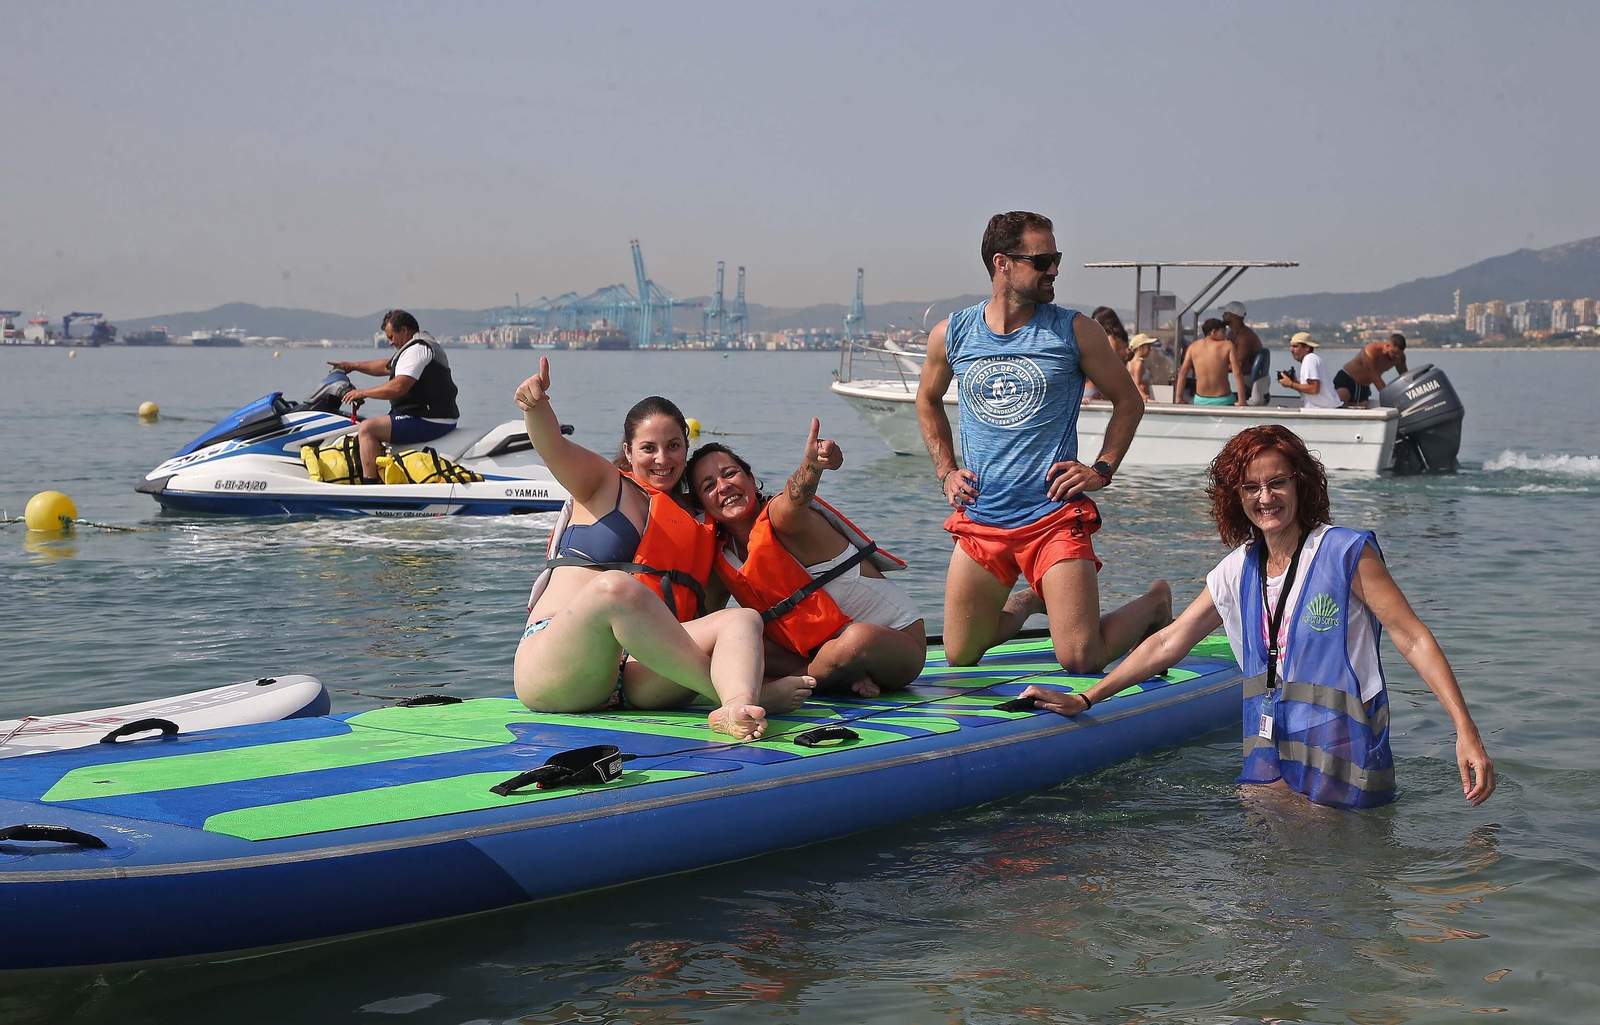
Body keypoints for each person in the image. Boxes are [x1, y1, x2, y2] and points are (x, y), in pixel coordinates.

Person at [1019, 425, 1495, 810]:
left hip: (1342, 757)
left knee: (1337, 897)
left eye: (1277, 482)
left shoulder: (1346, 553)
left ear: (1300, 484)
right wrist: (1087, 697)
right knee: (1264, 902)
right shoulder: (1236, 569)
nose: (1265, 498)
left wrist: (1465, 731)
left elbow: (1411, 637)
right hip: (1267, 756)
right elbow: (1168, 643)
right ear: (1235, 497)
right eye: (1251, 487)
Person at [916, 210, 1171, 673]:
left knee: (1079, 658)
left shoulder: (1074, 331)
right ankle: (1032, 599)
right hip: (982, 515)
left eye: (1057, 258)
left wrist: (1102, 470)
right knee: (960, 654)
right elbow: (927, 400)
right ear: (1002, 263)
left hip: (1052, 516)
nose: (1054, 269)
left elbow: (1128, 402)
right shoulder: (952, 334)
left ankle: (1154, 604)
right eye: (1043, 259)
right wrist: (945, 470)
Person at [512, 357, 814, 739]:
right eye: (648, 448)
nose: (662, 459)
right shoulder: (601, 484)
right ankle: (751, 696)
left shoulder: (700, 522)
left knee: (743, 619)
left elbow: (726, 601)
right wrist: (536, 407)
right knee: (616, 589)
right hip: (559, 666)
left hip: (645, 677)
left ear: (686, 448)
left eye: (673, 446)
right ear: (628, 449)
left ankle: (736, 705)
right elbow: (552, 445)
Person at [688, 418, 926, 699]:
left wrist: (812, 465)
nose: (724, 486)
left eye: (730, 474)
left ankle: (785, 685)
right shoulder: (724, 560)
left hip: (895, 642)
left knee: (855, 639)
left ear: (751, 480)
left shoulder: (781, 518)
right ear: (702, 506)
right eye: (708, 486)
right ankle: (837, 679)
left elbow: (795, 498)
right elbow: (701, 624)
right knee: (732, 636)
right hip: (816, 654)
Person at [328, 310, 461, 483]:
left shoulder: (418, 350)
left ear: (404, 330)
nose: (390, 342)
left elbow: (398, 387)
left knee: (368, 428)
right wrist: (352, 366)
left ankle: (370, 487)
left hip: (431, 419)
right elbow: (386, 366)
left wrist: (362, 393)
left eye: (391, 337)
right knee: (369, 425)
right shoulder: (413, 347)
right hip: (426, 415)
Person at [1177, 318, 1244, 406]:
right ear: (1214, 332)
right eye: (1223, 332)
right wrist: (1242, 400)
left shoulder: (1193, 346)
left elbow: (1183, 372)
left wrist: (1179, 398)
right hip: (1223, 399)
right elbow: (1237, 372)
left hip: (1200, 400)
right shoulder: (1227, 345)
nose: (1225, 336)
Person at [1335, 333, 1408, 407]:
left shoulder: (1399, 358)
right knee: (1342, 398)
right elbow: (1376, 379)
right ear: (1387, 345)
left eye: (1400, 353)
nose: (1397, 356)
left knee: (1362, 405)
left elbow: (1405, 377)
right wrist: (1389, 398)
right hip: (1347, 378)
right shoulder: (1370, 351)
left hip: (1363, 386)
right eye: (1394, 353)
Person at [1277, 332, 1342, 409]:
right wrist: (1295, 382)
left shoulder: (1309, 359)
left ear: (1307, 348)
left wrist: (1291, 384)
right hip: (1325, 409)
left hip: (1325, 411)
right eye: (1291, 346)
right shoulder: (1312, 359)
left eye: (1295, 346)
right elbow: (1311, 391)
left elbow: (1314, 389)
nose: (1291, 350)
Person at [1221, 301, 1270, 405]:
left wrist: (1215, 369)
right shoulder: (1231, 334)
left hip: (1253, 382)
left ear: (1234, 316)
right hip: (1245, 379)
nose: (1223, 315)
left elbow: (1239, 365)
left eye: (1226, 313)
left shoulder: (1245, 336)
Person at [1082, 307, 1130, 402]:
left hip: (1098, 386)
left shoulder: (1109, 339)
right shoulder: (1121, 339)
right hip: (1113, 385)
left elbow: (1108, 363)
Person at [1125, 333, 1156, 401]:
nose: (1150, 350)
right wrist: (1146, 398)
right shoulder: (1139, 363)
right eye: (1148, 347)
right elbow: (1136, 384)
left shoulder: (1129, 363)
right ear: (1140, 348)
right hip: (1140, 399)